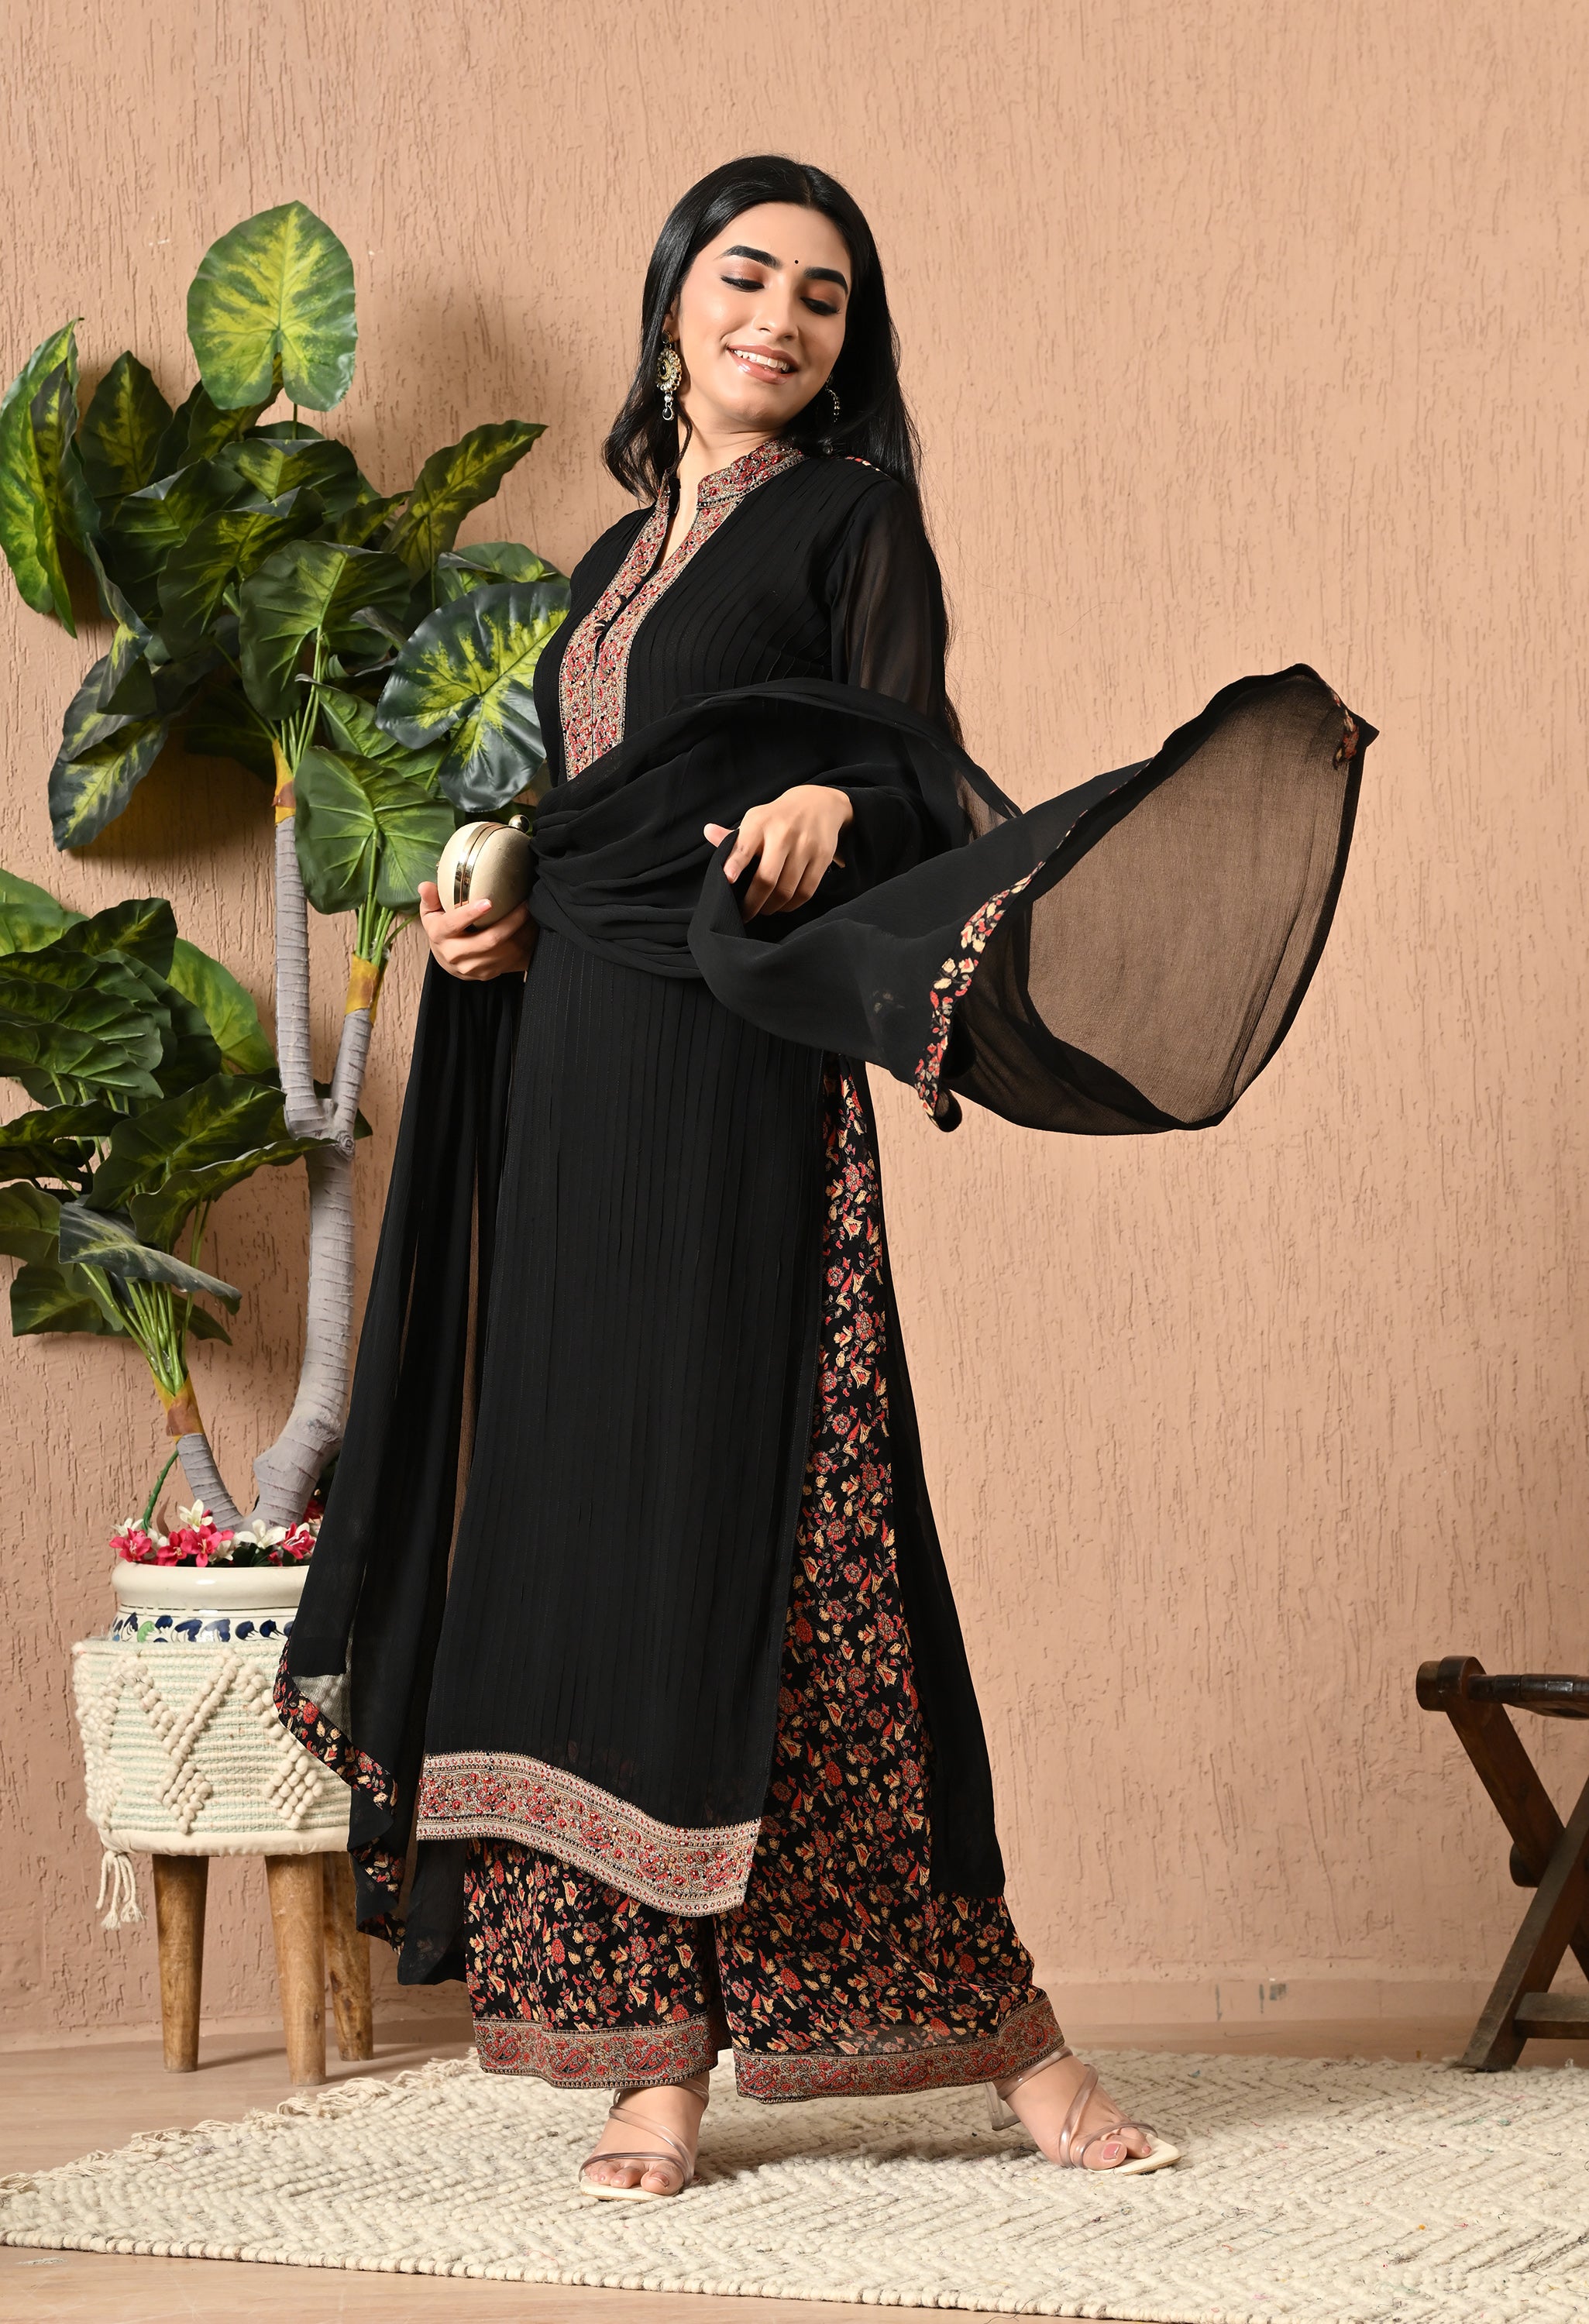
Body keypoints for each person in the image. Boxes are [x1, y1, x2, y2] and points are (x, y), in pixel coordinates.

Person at [277, 154, 1368, 2200]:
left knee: (785, 1535)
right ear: (670, 301)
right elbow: (584, 813)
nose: (778, 318)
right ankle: (650, 2062)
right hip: (566, 1077)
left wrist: (823, 804)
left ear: (849, 344)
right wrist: (481, 915)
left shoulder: (851, 519)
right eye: (746, 276)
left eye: (824, 297)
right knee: (589, 1526)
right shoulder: (609, 557)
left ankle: (1011, 2042)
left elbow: (911, 766)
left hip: (729, 1077)